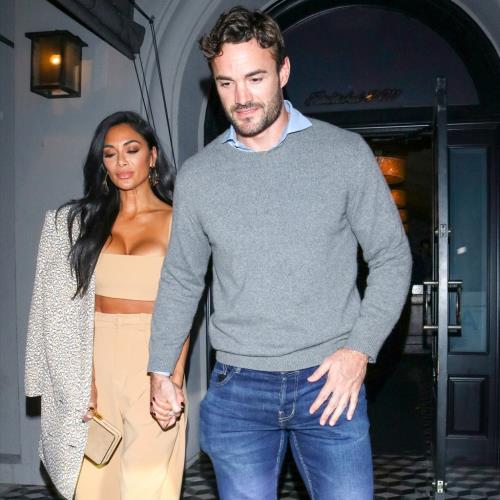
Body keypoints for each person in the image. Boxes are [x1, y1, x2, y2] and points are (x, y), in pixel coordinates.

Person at [149, 7, 412, 500]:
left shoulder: (344, 154)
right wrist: (161, 369)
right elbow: (182, 278)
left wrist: (359, 350)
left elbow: (392, 257)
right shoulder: (200, 176)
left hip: (329, 381)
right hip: (239, 388)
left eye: (255, 78)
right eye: (226, 83)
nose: (241, 98)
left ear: (283, 71)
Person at [25, 111, 188, 500]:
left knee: (146, 486)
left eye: (132, 150)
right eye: (110, 154)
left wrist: (174, 377)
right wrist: (81, 381)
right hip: (93, 359)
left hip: (155, 357)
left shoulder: (181, 220)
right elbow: (64, 307)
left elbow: (186, 305)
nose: (121, 162)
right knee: (96, 487)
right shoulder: (80, 225)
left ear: (152, 156)